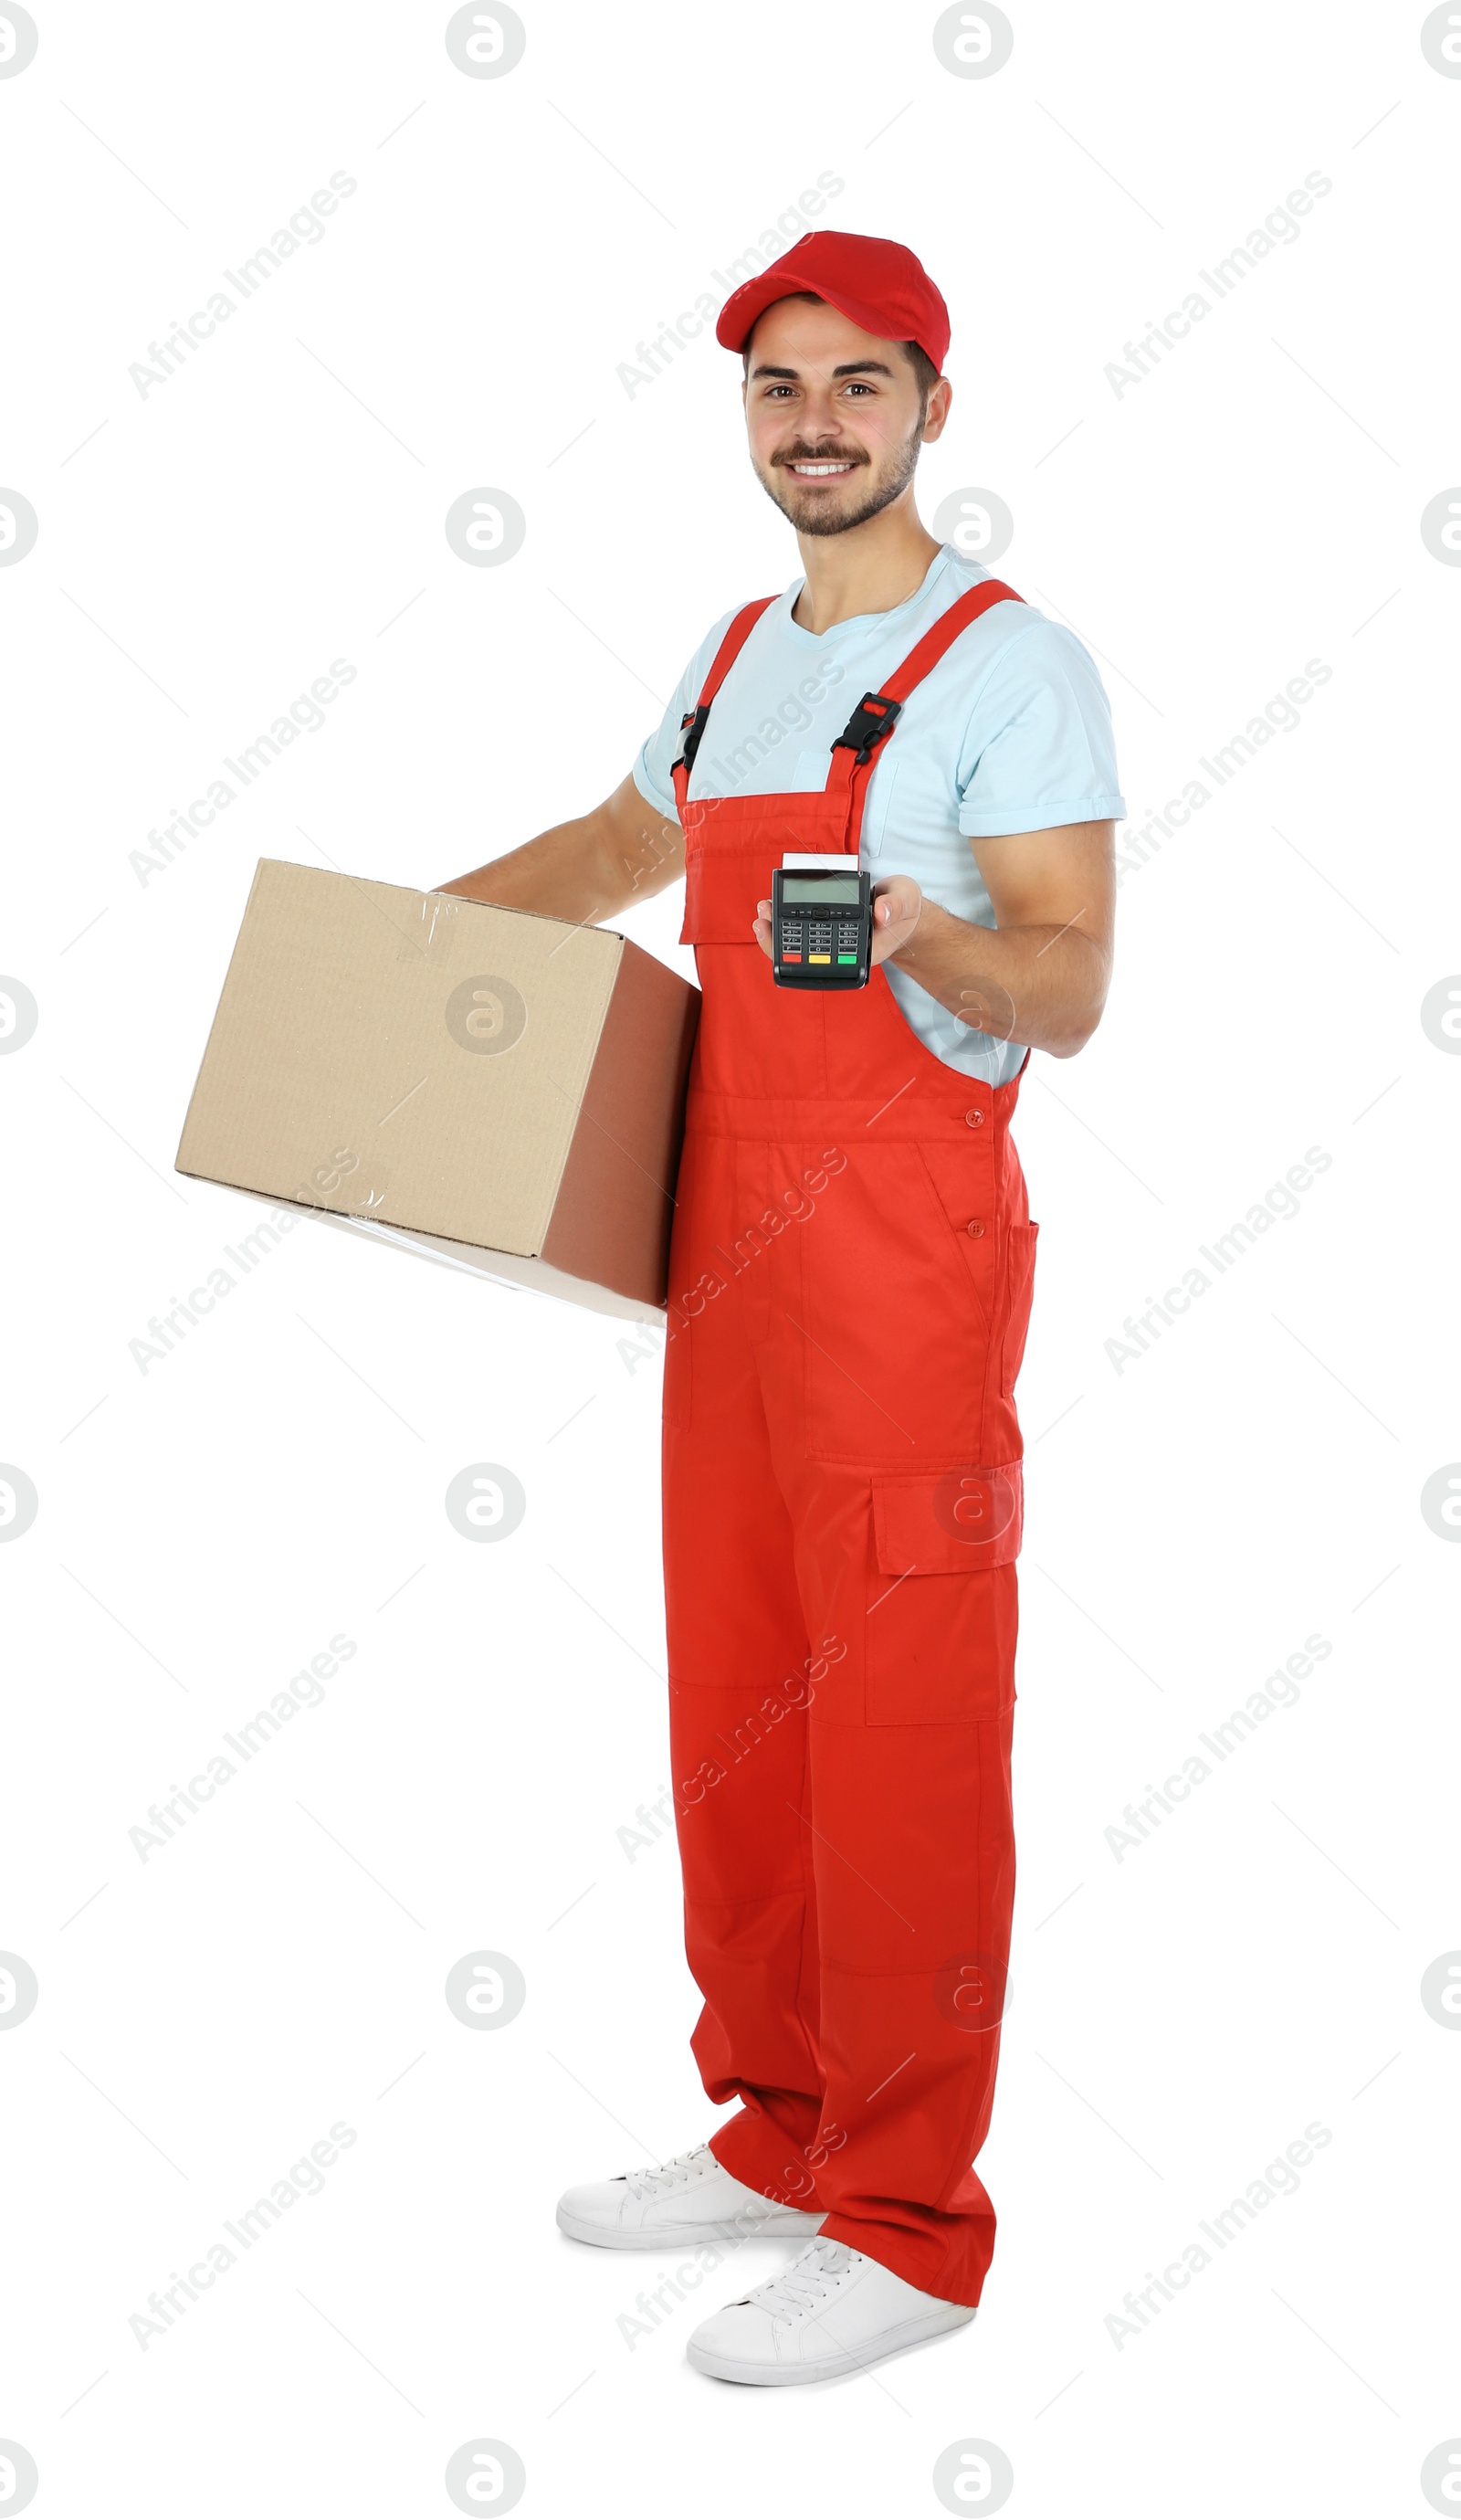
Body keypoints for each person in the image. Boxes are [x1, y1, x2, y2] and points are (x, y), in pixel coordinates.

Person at [442, 229, 1123, 2386]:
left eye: (855, 385)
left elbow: (1071, 989)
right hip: (722, 1269)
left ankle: (910, 2224)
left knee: (899, 1715)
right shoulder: (733, 653)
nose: (812, 422)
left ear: (933, 406)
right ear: (743, 416)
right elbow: (603, 851)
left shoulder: (1012, 667)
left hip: (902, 1265)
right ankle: (782, 2124)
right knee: (739, 1702)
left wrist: (928, 939)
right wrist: (368, 959)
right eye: (774, 388)